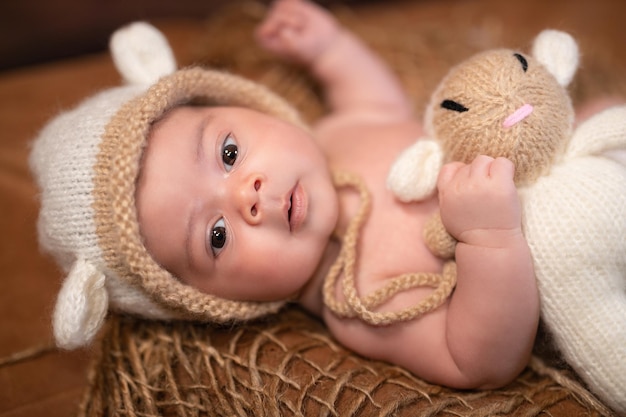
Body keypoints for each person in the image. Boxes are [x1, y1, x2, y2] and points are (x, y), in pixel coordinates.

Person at [31, 0, 540, 390]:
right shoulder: (359, 299)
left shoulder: (340, 130)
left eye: (228, 154)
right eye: (216, 235)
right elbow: (478, 360)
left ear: (242, 105)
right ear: (218, 302)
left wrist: (331, 51)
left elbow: (376, 99)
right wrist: (489, 239)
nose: (246, 197)